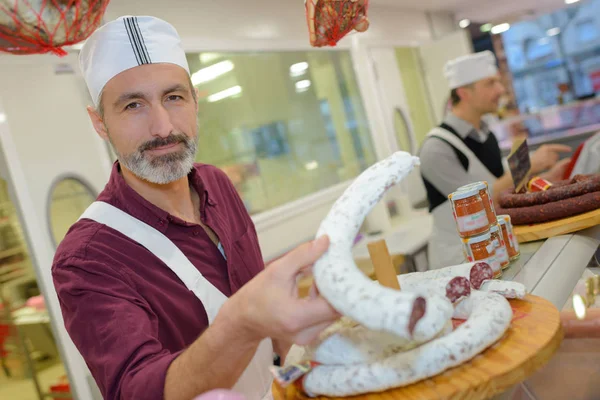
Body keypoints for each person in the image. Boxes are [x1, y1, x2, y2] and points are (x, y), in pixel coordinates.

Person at [51, 15, 340, 400]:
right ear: (99, 122)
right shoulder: (88, 258)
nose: (163, 126)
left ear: (195, 101)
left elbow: (265, 340)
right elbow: (136, 391)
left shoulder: (216, 184)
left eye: (174, 97)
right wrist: (243, 323)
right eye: (133, 105)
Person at [419, 51, 572, 269]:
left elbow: (501, 186)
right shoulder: (436, 149)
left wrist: (546, 178)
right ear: (464, 93)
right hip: (457, 261)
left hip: (495, 250)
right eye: (491, 83)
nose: (501, 90)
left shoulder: (486, 134)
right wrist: (528, 166)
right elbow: (476, 204)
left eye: (499, 82)